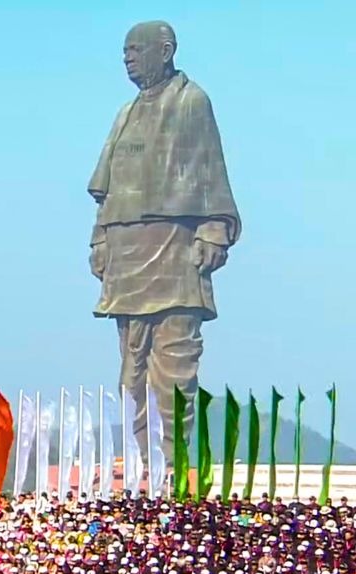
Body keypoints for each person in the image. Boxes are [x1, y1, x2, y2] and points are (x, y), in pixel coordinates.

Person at [86, 20, 241, 456]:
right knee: (131, 371)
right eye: (124, 51)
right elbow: (106, 191)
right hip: (126, 256)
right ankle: (141, 462)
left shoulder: (192, 101)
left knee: (174, 366)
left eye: (136, 49)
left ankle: (173, 463)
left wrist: (213, 231)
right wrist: (99, 240)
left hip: (174, 250)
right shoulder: (126, 112)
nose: (128, 58)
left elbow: (212, 172)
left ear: (166, 50)